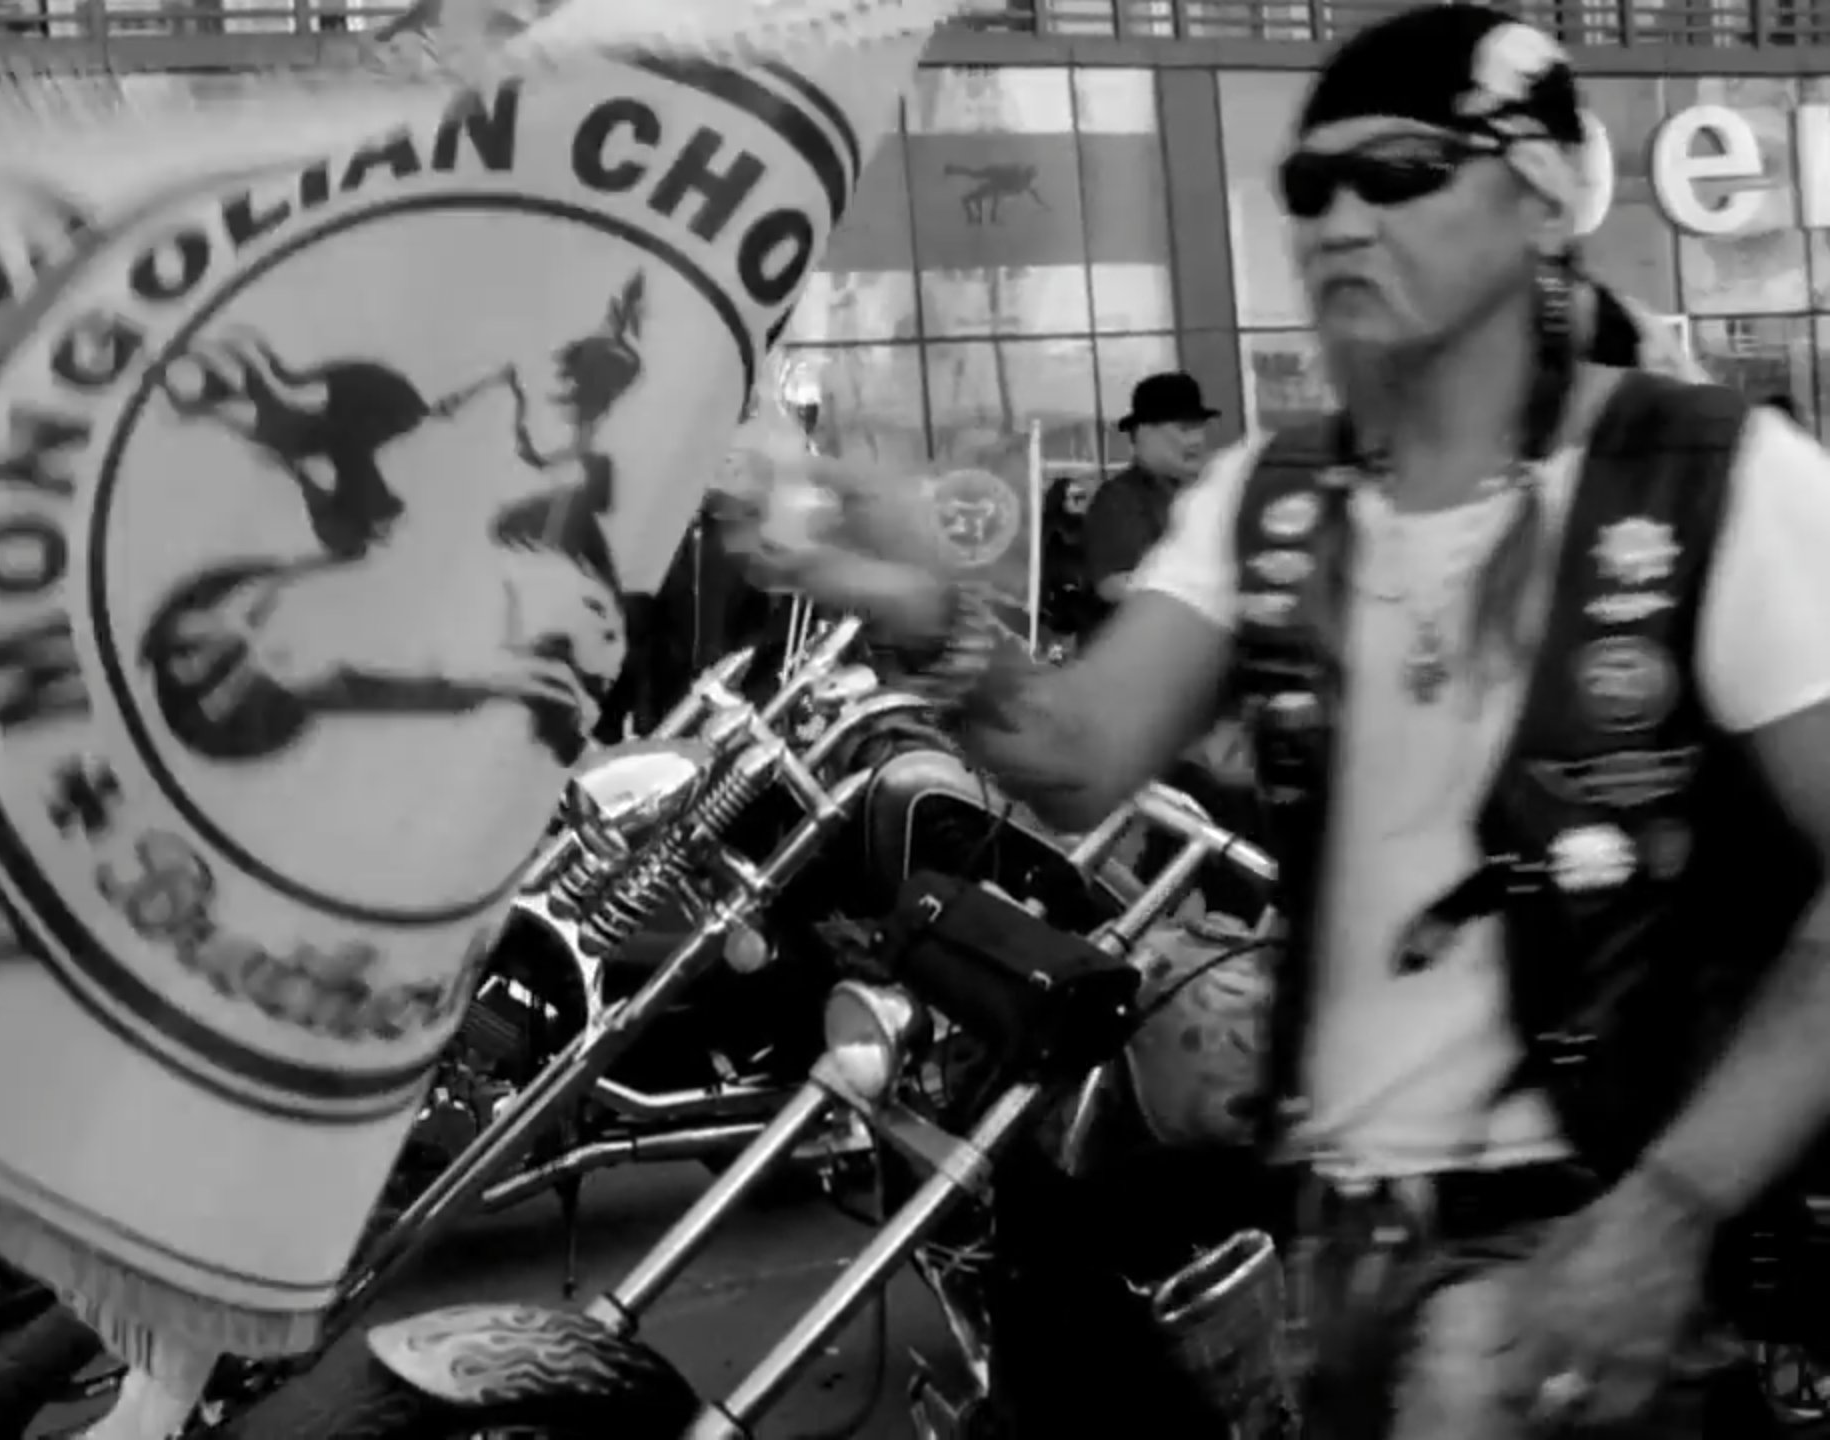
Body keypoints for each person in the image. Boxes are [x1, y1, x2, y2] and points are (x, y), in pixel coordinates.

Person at [737, 8, 1830, 1437]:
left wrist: (1668, 1209)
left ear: (1540, 195)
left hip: (1577, 1264)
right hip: (1344, 1254)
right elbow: (1073, 754)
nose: (1339, 221)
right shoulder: (1273, 497)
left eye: (1400, 173)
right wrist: (924, 607)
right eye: (1310, 187)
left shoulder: (1714, 481)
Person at [1075, 371, 1217, 640]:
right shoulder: (1119, 499)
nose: (1197, 440)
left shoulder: (1208, 492)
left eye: (1199, 427)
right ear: (1143, 434)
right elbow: (1115, 585)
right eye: (1184, 429)